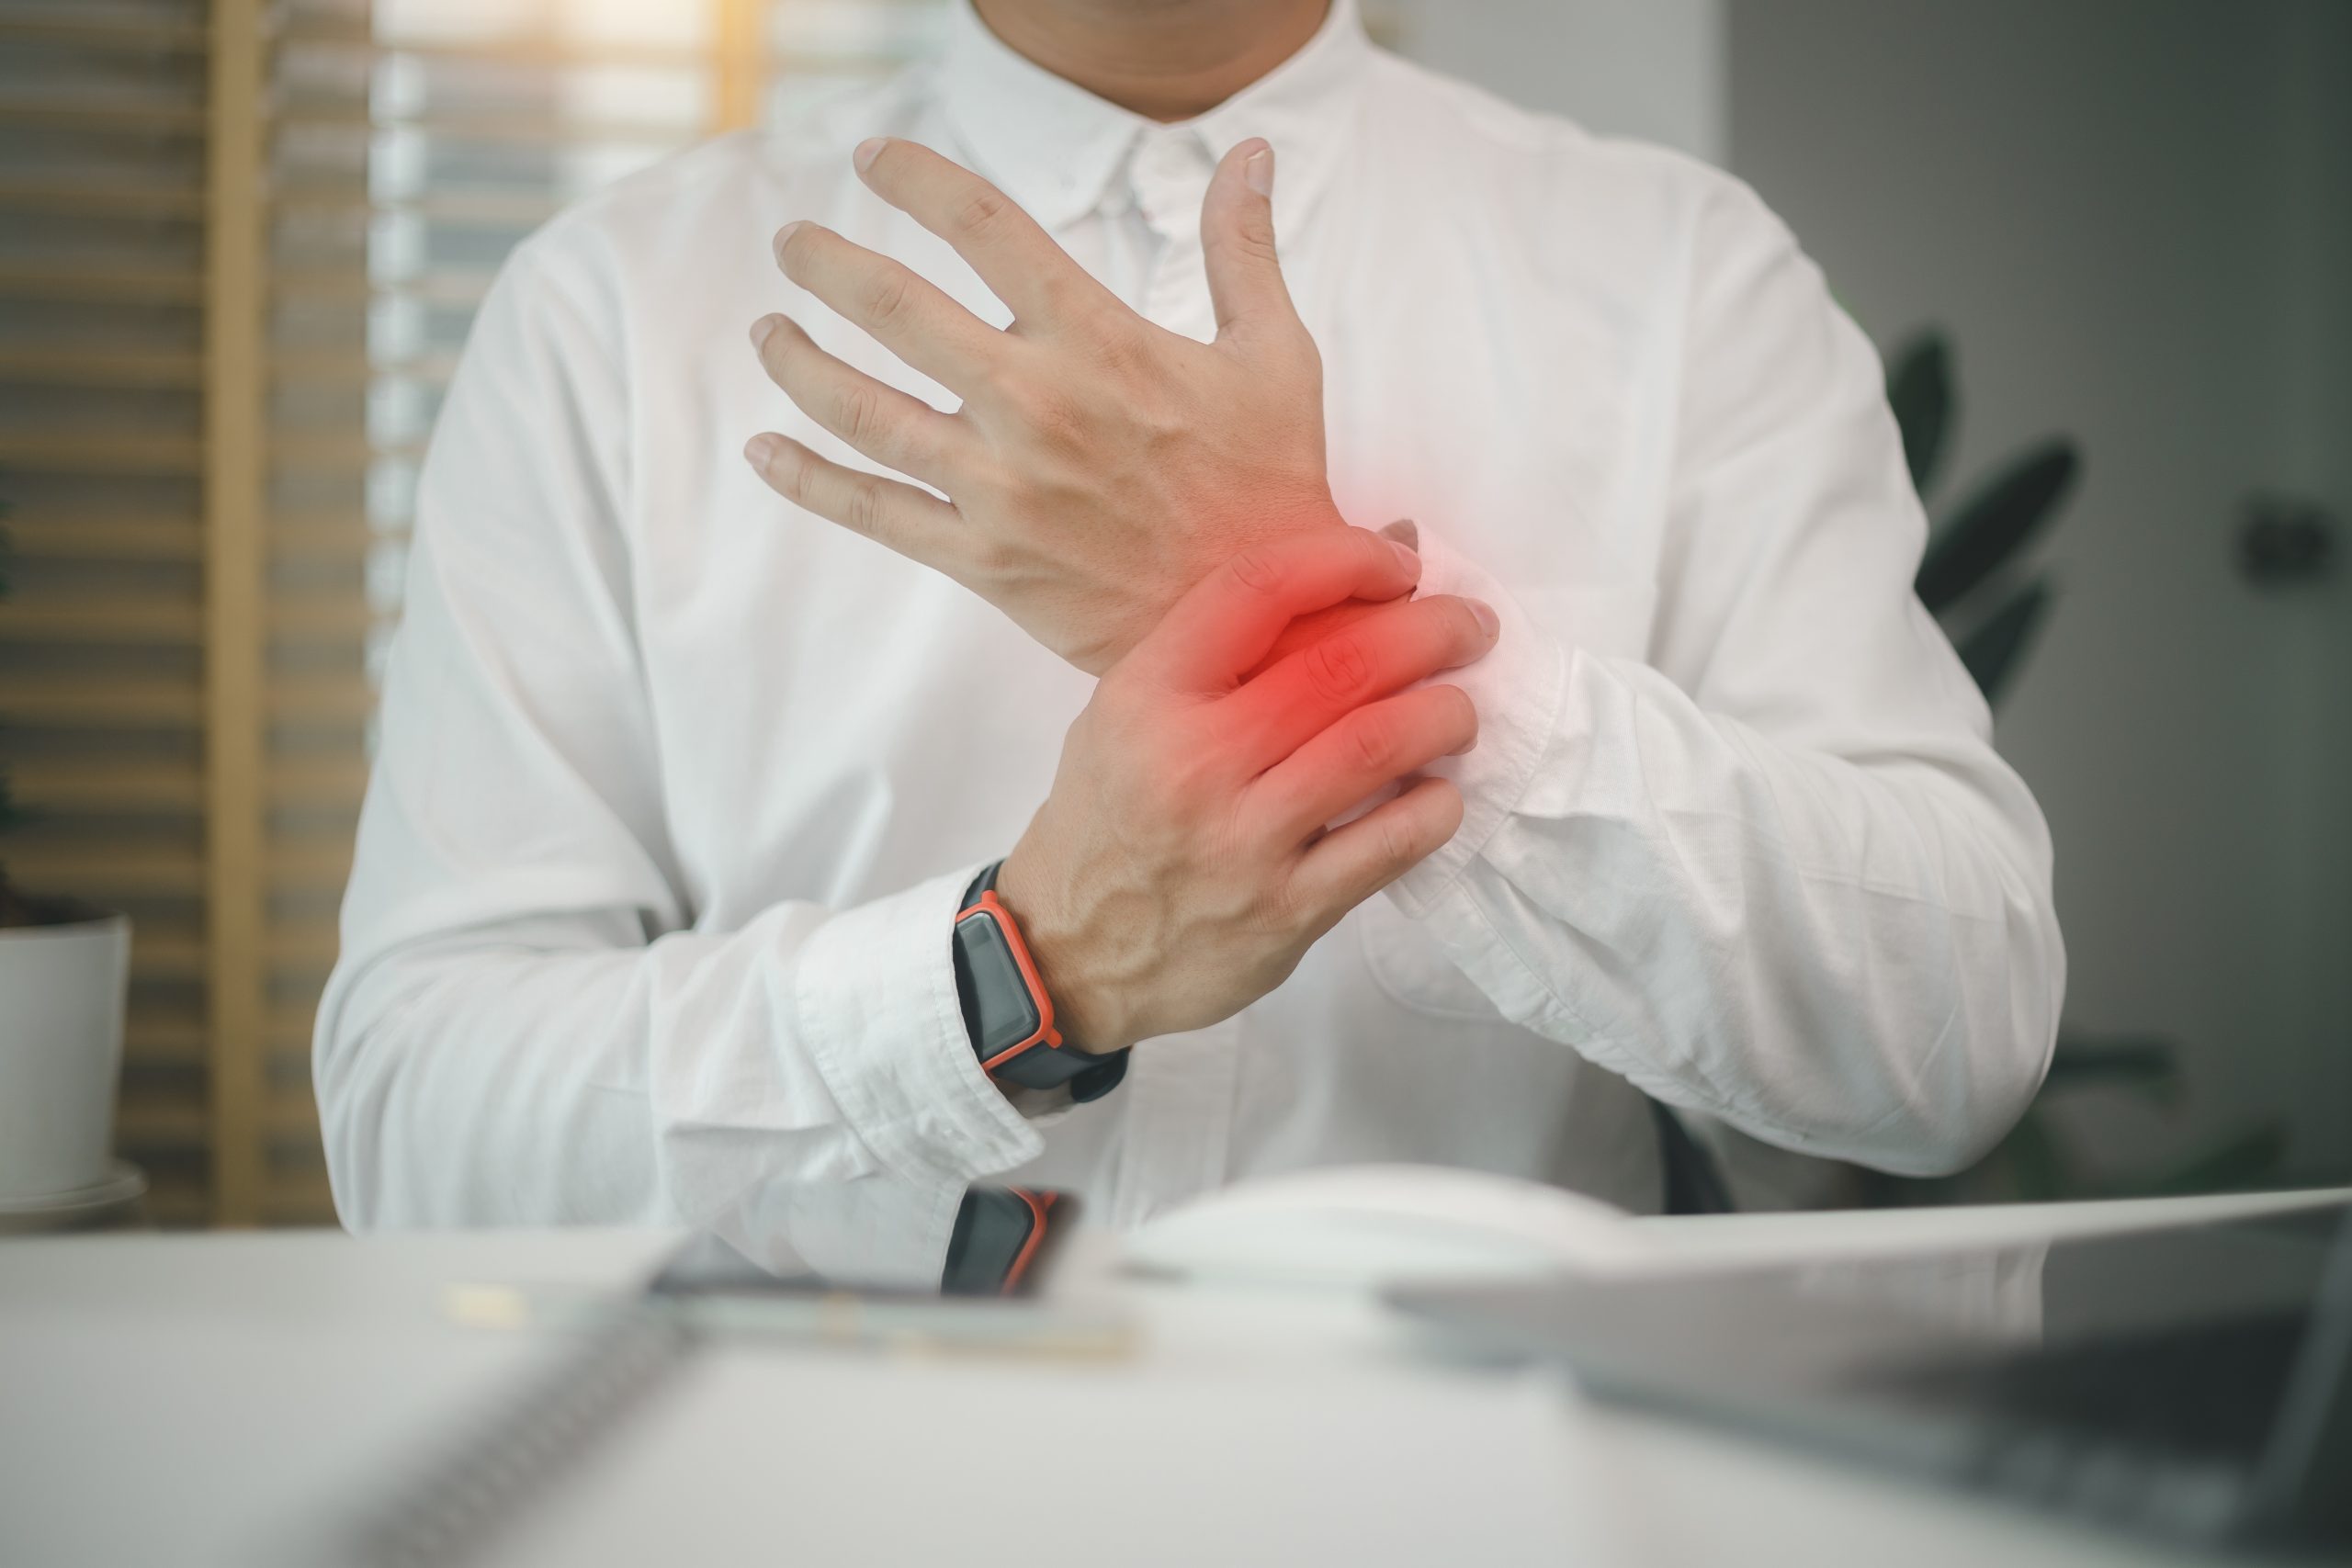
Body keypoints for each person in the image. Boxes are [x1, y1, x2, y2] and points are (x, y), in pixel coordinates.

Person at [315, 0, 2065, 1228]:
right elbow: (418, 1118)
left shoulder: (1688, 277)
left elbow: (1959, 1021)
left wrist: (1285, 604)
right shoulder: (608, 314)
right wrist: (1008, 982)